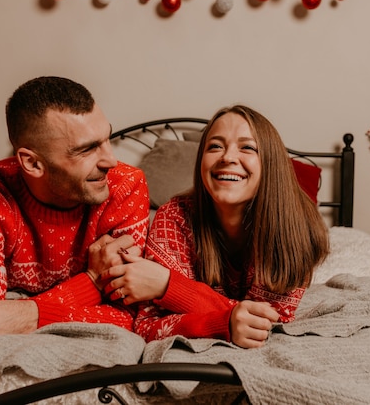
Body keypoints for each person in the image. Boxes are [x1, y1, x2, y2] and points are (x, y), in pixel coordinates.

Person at [0, 76, 153, 340]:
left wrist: (28, 314)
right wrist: (93, 281)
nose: (111, 160)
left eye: (106, 138)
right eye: (87, 150)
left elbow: (132, 317)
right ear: (32, 163)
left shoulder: (126, 185)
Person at [125, 104, 330, 348]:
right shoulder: (173, 217)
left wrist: (169, 286)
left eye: (247, 147)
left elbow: (265, 323)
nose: (228, 157)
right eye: (215, 146)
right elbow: (147, 327)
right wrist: (224, 323)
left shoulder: (295, 228)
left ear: (270, 163)